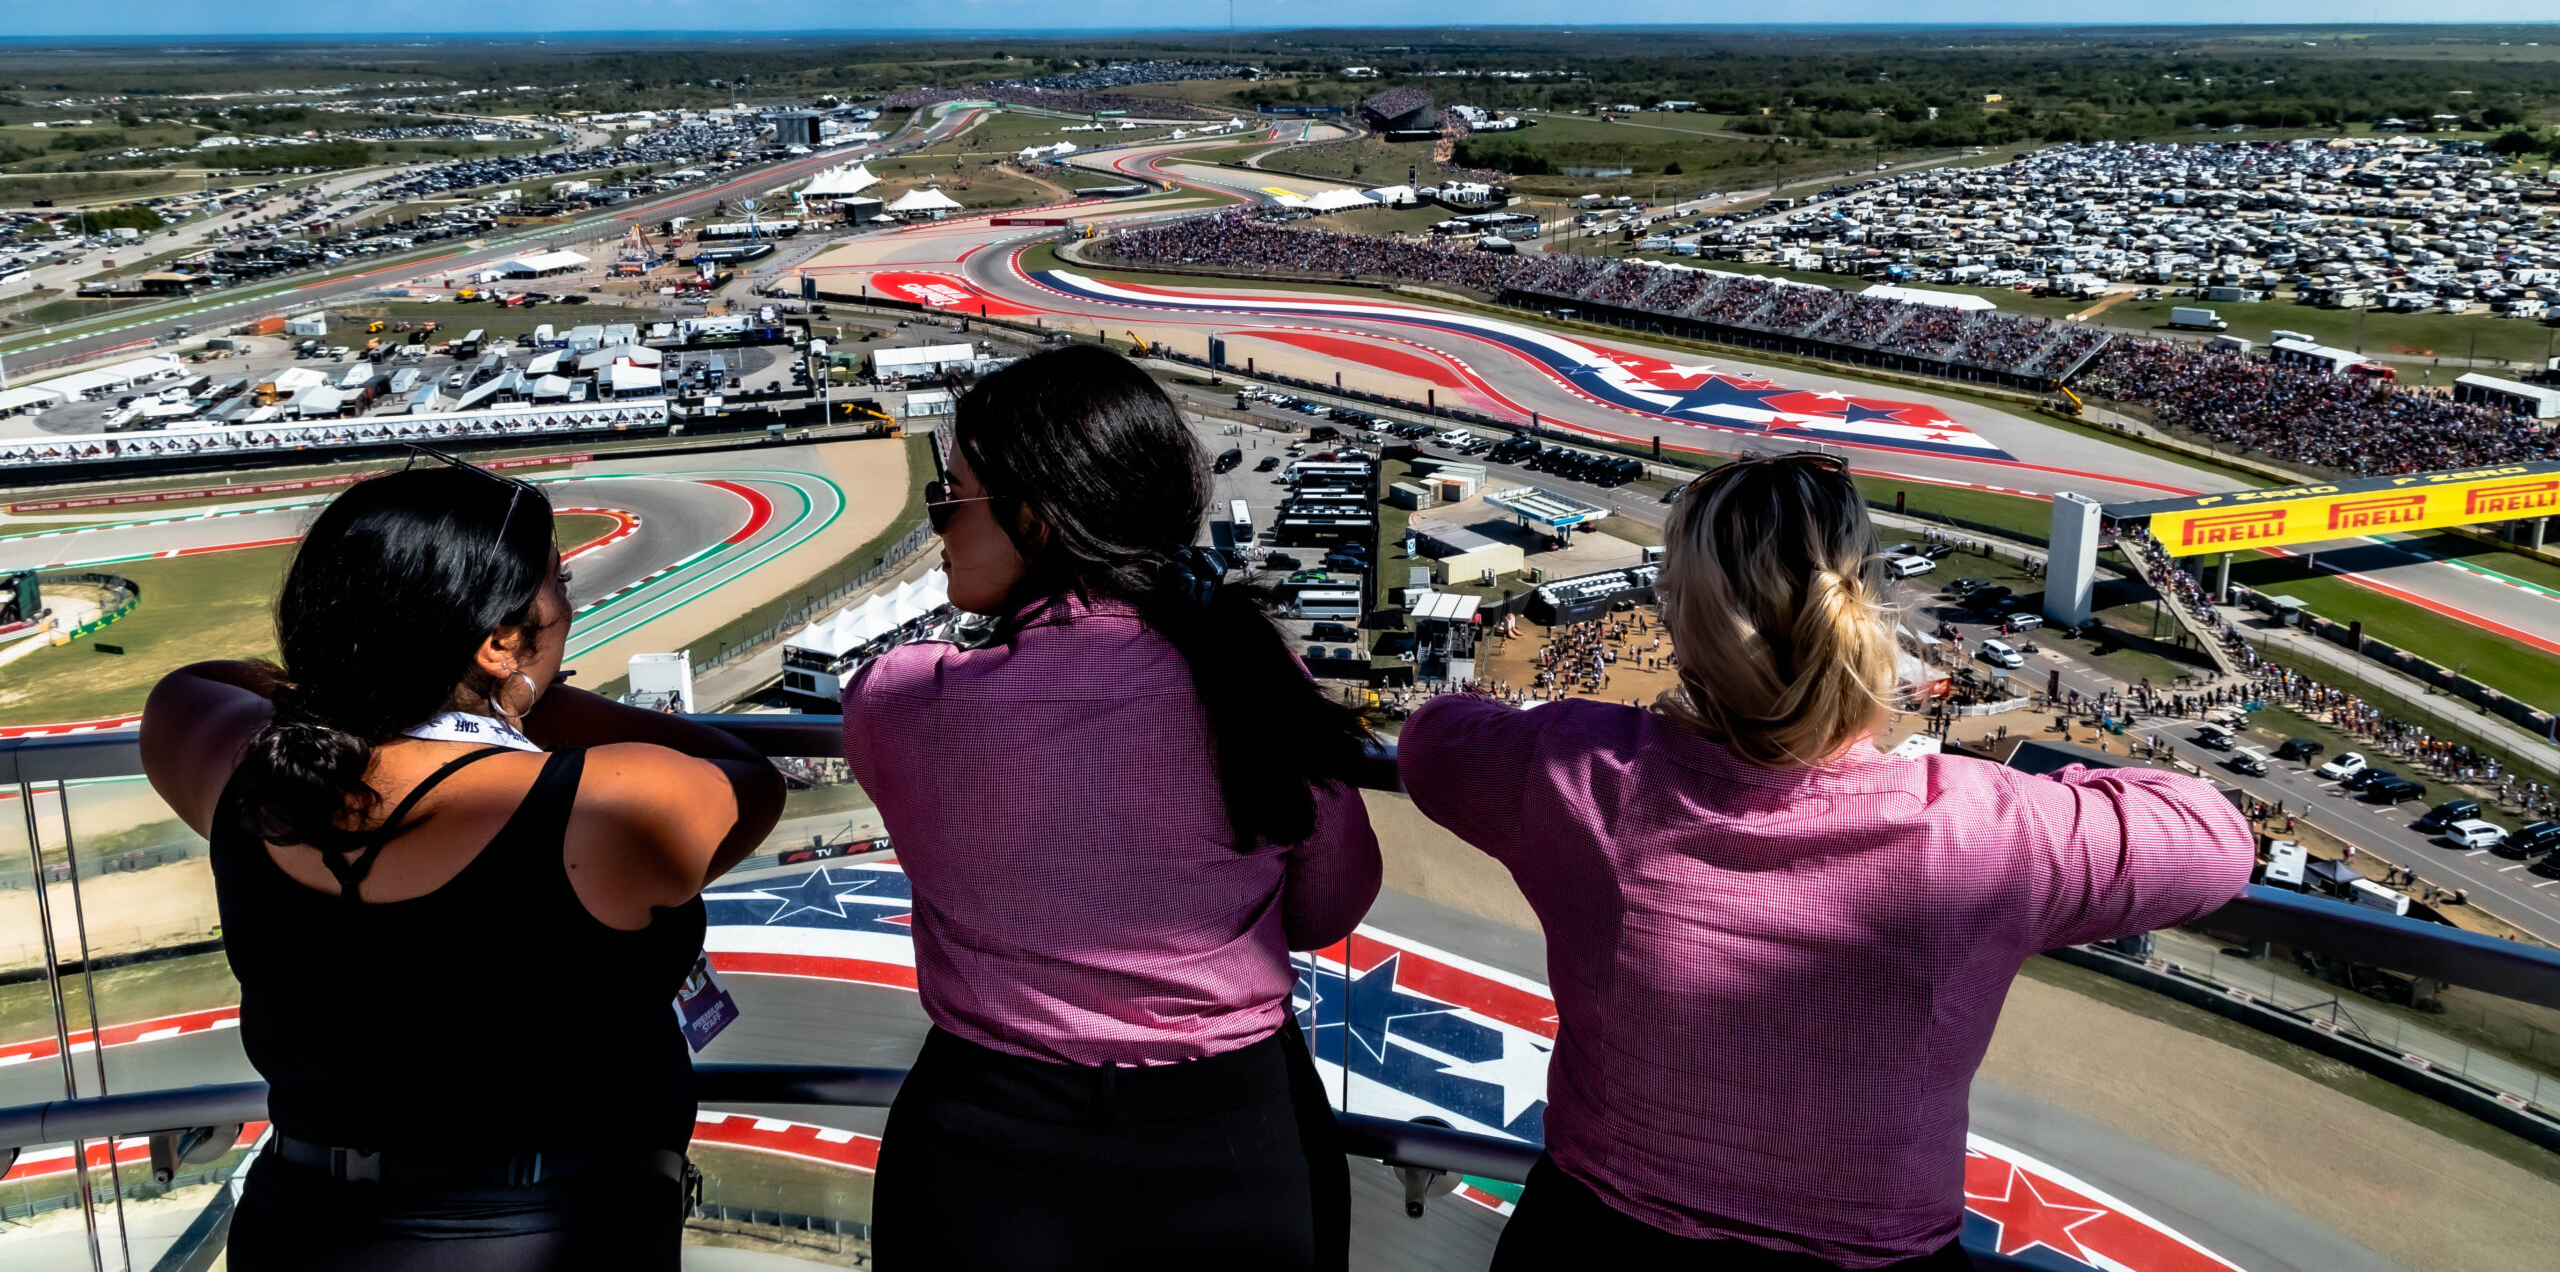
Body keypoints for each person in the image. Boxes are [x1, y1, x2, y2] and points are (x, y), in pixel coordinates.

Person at [1398, 452, 2254, 1271]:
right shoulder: (1982, 823)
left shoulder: (1576, 764)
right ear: (1865, 609)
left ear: (1683, 623)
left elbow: (1433, 739)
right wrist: (2034, 789)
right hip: (1866, 1261)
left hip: (1593, 1239)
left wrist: (1583, 721)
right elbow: (2217, 840)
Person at [142, 456, 785, 1272]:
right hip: (546, 1235)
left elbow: (196, 683)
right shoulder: (609, 801)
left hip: (299, 1223)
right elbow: (748, 779)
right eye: (557, 582)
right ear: (495, 642)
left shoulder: (243, 771)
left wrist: (370, 688)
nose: (570, 602)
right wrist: (536, 703)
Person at [845, 345, 1381, 1271]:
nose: (938, 526)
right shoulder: (1251, 676)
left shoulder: (903, 701)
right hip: (1234, 1137)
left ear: (1036, 520)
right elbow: (1327, 906)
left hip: (986, 1144)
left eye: (950, 498)